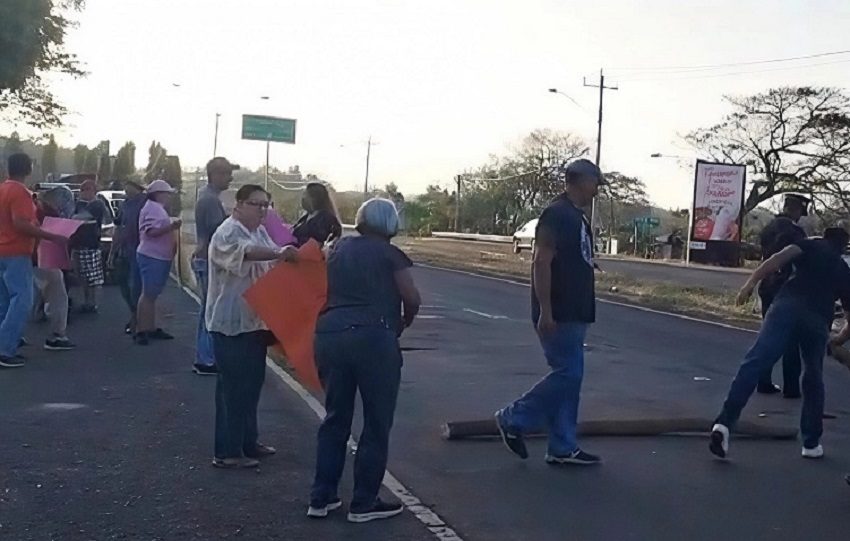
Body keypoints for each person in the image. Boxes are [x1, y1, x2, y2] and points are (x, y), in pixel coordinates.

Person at [309, 198, 420, 523]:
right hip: (373, 338)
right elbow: (411, 297)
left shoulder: (338, 248)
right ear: (390, 223)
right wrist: (404, 321)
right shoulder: (390, 254)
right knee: (375, 422)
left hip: (329, 334)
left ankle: (321, 496)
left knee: (335, 417)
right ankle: (364, 501)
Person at [494, 159, 605, 466]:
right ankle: (514, 417)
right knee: (568, 375)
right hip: (560, 310)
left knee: (571, 378)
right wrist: (546, 311)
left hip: (576, 309)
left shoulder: (576, 217)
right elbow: (541, 262)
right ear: (582, 181)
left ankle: (562, 445)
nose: (597, 190)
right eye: (595, 183)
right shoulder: (556, 214)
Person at [710, 226, 850, 460]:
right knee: (813, 377)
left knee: (756, 361)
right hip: (817, 320)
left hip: (785, 307)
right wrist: (837, 340)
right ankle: (811, 443)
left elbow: (776, 260)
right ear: (843, 246)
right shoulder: (844, 270)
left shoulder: (810, 244)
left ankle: (724, 423)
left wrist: (749, 284)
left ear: (825, 237)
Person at [206, 184, 297, 469]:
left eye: (265, 205)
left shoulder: (258, 230)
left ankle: (247, 441)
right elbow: (248, 253)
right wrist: (279, 252)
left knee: (251, 385)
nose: (262, 210)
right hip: (231, 322)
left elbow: (268, 257)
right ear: (239, 205)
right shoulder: (228, 232)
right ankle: (228, 451)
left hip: (254, 320)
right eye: (256, 204)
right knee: (233, 389)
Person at [0, 153, 67, 368]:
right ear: (28, 169)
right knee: (22, 299)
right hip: (16, 251)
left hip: (2, 250)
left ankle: (8, 340)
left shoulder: (3, 189)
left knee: (5, 301)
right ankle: (5, 349)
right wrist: (50, 236)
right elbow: (20, 224)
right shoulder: (20, 192)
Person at [756, 194, 810, 397]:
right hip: (787, 288)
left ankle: (763, 380)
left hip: (767, 285)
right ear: (796, 210)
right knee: (791, 338)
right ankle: (791, 387)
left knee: (768, 334)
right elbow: (801, 260)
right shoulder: (796, 232)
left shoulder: (769, 227)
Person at [192, 157, 237, 375]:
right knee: (210, 309)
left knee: (208, 308)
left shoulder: (208, 198)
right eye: (227, 173)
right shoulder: (210, 200)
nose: (230, 178)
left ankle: (206, 356)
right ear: (215, 175)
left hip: (205, 257)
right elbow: (218, 232)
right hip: (208, 259)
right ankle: (206, 358)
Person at [135, 180, 182, 346]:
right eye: (167, 193)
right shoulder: (153, 209)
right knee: (148, 294)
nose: (169, 197)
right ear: (159, 194)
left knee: (151, 294)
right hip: (153, 256)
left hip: (157, 256)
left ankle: (149, 327)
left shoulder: (154, 208)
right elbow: (151, 232)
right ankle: (142, 329)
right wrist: (172, 226)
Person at [32, 187, 76, 351]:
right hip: (42, 257)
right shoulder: (48, 212)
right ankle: (57, 335)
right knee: (58, 296)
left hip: (21, 256)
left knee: (16, 297)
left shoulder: (32, 206)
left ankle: (11, 335)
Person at [108, 180, 146, 334]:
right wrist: (112, 252)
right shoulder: (124, 205)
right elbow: (118, 228)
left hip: (141, 251)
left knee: (137, 286)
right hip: (125, 251)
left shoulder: (145, 203)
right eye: (125, 185)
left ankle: (138, 320)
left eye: (129, 185)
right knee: (124, 284)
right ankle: (133, 313)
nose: (126, 188)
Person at [69, 179, 108, 313]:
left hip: (91, 245)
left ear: (93, 190)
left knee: (92, 277)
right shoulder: (79, 204)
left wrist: (73, 218)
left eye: (87, 189)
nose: (84, 192)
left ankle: (92, 303)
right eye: (82, 190)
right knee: (82, 276)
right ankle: (87, 302)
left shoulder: (97, 204)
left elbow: (84, 217)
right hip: (78, 244)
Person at [292, 182, 342, 247]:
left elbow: (323, 242)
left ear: (314, 198)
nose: (303, 198)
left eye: (305, 195)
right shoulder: (304, 218)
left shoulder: (327, 219)